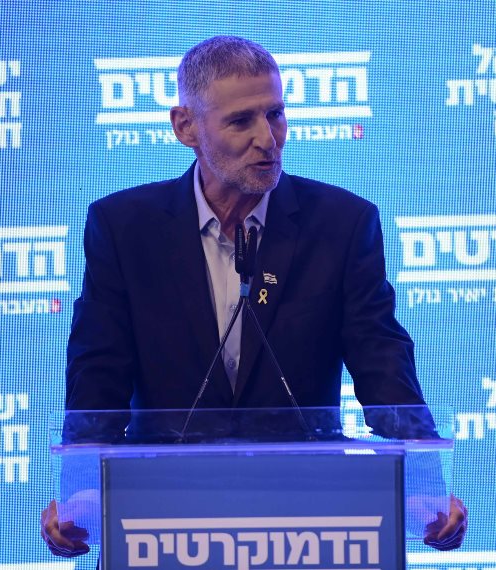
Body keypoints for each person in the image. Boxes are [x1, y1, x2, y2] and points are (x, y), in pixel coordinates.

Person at [41, 36, 467, 556]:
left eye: (275, 115)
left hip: (308, 515)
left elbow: (383, 362)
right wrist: (81, 496)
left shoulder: (341, 223)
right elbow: (98, 372)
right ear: (185, 127)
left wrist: (424, 488)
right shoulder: (125, 227)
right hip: (160, 512)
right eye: (241, 121)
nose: (268, 139)